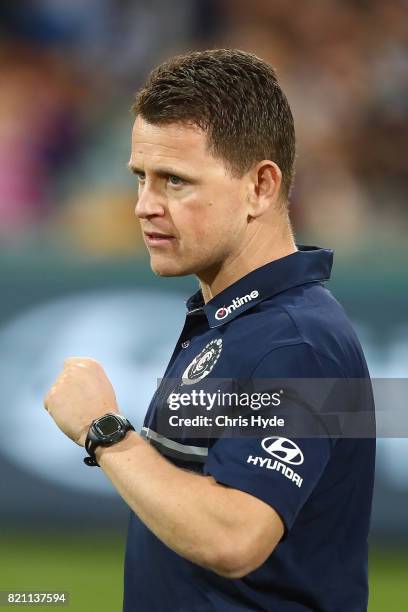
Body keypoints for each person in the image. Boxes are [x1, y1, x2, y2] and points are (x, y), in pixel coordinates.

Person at [44, 49, 376, 611]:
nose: (144, 206)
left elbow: (236, 538)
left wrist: (105, 433)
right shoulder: (237, 323)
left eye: (175, 181)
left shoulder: (297, 344)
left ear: (261, 187)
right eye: (140, 178)